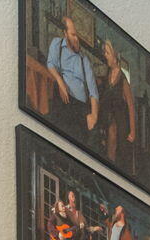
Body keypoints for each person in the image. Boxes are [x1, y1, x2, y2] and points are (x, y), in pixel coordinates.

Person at [43, 13, 98, 145]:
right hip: (63, 101)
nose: (76, 39)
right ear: (65, 33)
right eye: (73, 35)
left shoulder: (84, 60)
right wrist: (60, 82)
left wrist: (94, 115)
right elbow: (50, 64)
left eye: (77, 36)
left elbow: (93, 91)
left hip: (80, 108)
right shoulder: (57, 44)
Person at [98, 40, 137, 166]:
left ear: (115, 56)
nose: (105, 55)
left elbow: (131, 106)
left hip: (120, 120)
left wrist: (132, 131)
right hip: (106, 116)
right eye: (105, 52)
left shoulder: (123, 80)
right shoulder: (107, 75)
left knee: (113, 134)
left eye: (108, 53)